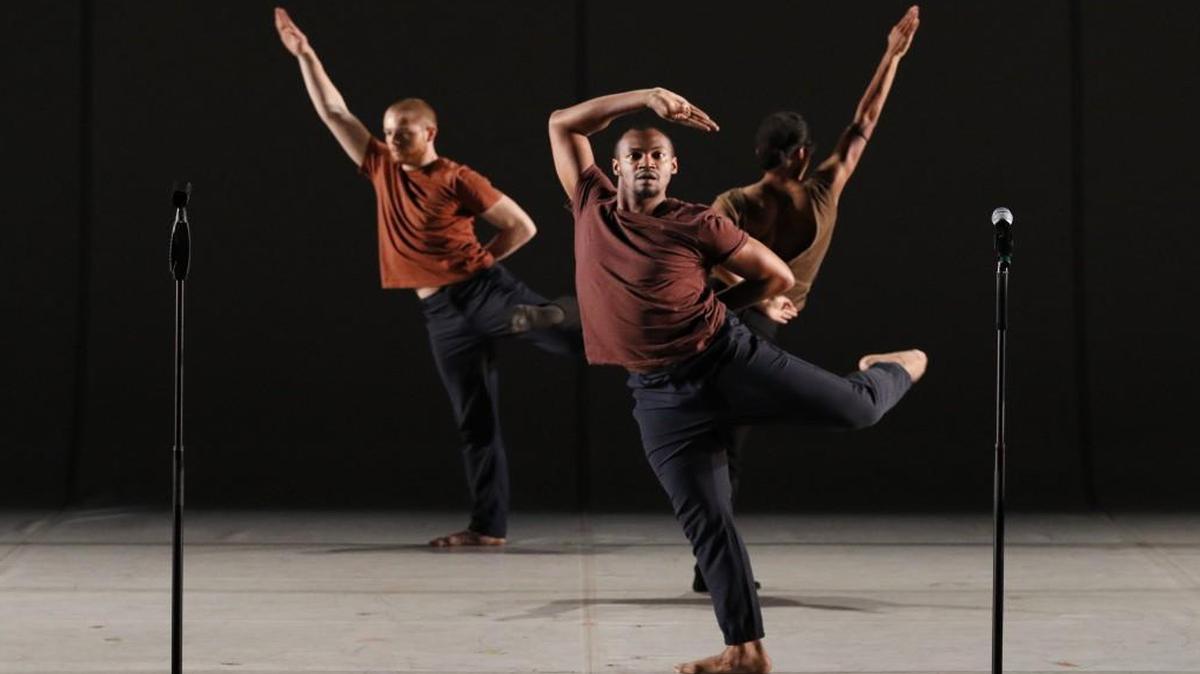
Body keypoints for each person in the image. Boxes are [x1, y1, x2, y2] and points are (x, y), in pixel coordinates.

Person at [547, 82, 927, 672]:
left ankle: (892, 366)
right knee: (708, 521)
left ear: (673, 167)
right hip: (657, 395)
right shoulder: (589, 204)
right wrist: (646, 97)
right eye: (634, 155)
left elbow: (775, 275)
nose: (645, 162)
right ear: (614, 166)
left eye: (656, 156)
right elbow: (562, 124)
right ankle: (744, 651)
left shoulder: (699, 223)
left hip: (727, 361)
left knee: (859, 410)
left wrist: (724, 307)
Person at [274, 7, 579, 548]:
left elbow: (521, 226)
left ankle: (594, 320)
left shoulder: (457, 176)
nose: (393, 142)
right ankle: (488, 529)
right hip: (440, 315)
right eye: (390, 133)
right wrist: (306, 55)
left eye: (404, 134)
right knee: (475, 421)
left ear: (429, 132)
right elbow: (335, 113)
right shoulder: (381, 167)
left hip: (483, 291)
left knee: (570, 343)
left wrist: (481, 260)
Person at [692, 4, 922, 594]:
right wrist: (891, 55)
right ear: (798, 154)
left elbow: (707, 269)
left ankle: (712, 565)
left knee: (724, 441)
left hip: (731, 330)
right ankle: (886, 373)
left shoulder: (733, 202)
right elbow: (864, 121)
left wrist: (754, 297)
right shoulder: (821, 190)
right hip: (740, 331)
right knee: (732, 437)